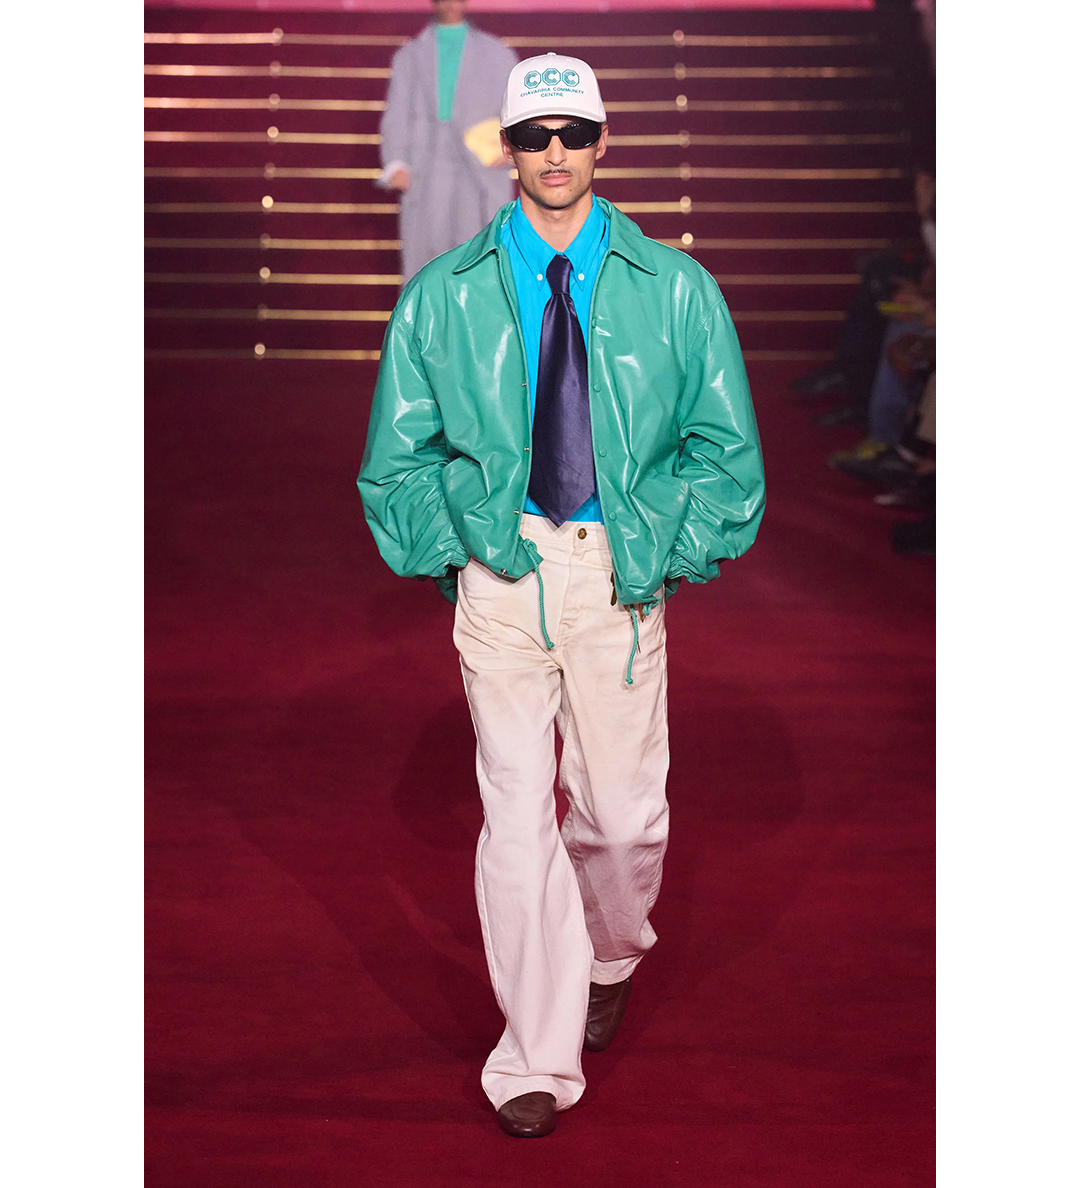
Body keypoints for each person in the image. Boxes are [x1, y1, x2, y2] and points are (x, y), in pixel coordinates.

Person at [358, 53, 765, 1138]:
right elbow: (395, 461)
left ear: (601, 141)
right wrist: (469, 550)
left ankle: (611, 952)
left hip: (614, 571)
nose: (553, 153)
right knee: (515, 816)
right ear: (507, 147)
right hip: (502, 571)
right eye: (534, 135)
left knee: (622, 821)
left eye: (572, 133)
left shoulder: (674, 289)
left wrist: (656, 547)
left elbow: (728, 456)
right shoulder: (443, 294)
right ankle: (532, 1059)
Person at [376, 0, 517, 282]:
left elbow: (514, 109)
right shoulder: (410, 55)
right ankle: (426, 311)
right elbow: (397, 111)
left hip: (480, 166)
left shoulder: (497, 53)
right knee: (426, 255)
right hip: (426, 163)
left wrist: (511, 146)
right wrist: (396, 162)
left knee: (480, 253)